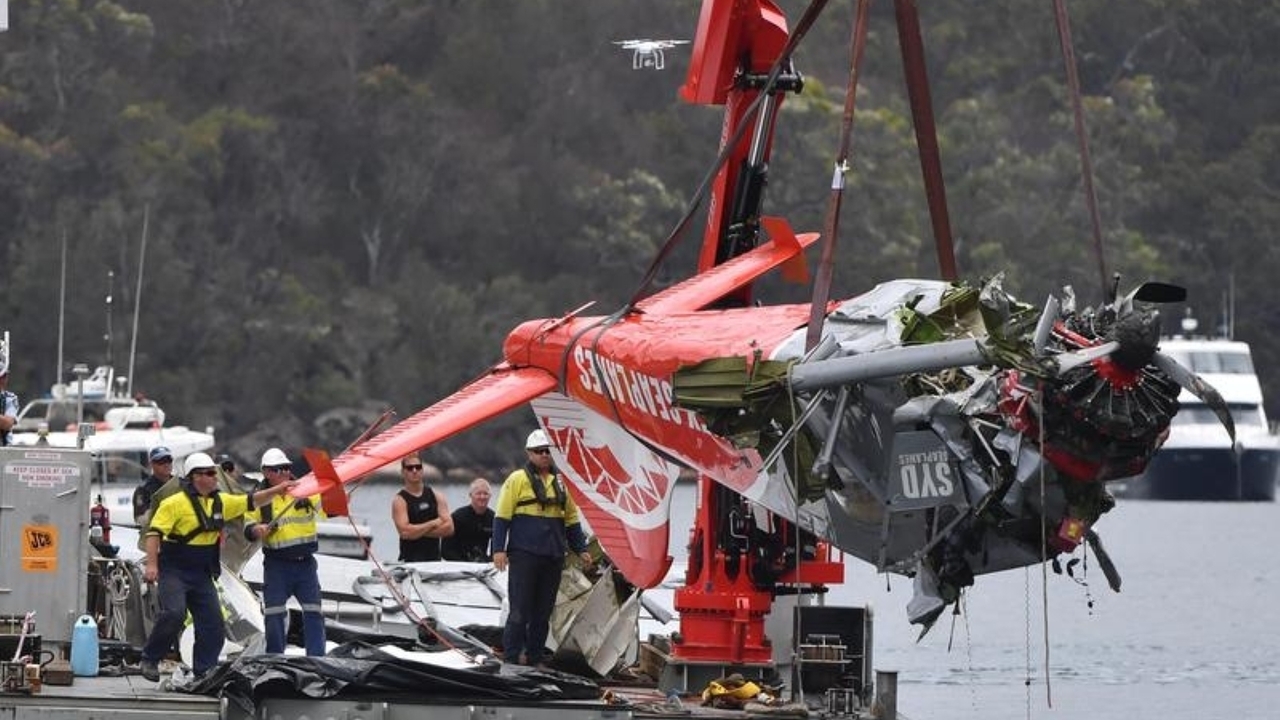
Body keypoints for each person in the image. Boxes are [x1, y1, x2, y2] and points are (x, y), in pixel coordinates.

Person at [139, 452, 296, 681]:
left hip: (202, 573)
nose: (215, 478)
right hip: (175, 570)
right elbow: (154, 534)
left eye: (215, 473)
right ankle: (150, 658)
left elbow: (253, 500)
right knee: (174, 613)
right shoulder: (172, 504)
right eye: (210, 474)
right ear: (195, 477)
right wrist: (152, 565)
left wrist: (278, 490)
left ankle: (204, 671)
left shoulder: (222, 502)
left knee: (213, 624)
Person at [492, 429, 592, 666]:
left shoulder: (561, 483)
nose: (544, 455)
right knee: (519, 611)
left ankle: (535, 657)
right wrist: (498, 549)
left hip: (552, 556)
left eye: (548, 451)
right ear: (529, 453)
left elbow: (571, 520)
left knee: (542, 613)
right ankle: (511, 658)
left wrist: (581, 548)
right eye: (539, 451)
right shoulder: (517, 480)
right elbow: (502, 517)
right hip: (524, 555)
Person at [243, 448, 326, 655]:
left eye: (287, 468)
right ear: (266, 472)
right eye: (278, 469)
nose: (284, 473)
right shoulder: (259, 498)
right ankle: (274, 657)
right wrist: (257, 530)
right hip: (277, 565)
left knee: (314, 612)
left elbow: (327, 508)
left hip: (305, 564)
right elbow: (248, 526)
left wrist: (338, 499)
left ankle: (317, 659)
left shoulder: (305, 490)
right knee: (273, 614)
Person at [391, 453, 453, 561]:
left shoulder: (436, 495)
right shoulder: (399, 501)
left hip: (434, 561)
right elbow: (405, 533)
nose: (414, 471)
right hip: (409, 561)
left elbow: (449, 528)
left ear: (422, 470)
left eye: (418, 467)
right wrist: (433, 523)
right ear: (403, 472)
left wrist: (417, 531)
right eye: (410, 468)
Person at [132, 447, 177, 549]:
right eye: (160, 461)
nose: (166, 464)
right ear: (152, 464)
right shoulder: (144, 490)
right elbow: (141, 519)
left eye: (168, 460)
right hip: (156, 540)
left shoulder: (181, 484)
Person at [443, 477, 495, 562]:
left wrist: (488, 561)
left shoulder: (493, 518)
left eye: (485, 494)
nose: (482, 497)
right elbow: (445, 550)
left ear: (490, 496)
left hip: (482, 565)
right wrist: (465, 564)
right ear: (470, 495)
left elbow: (496, 550)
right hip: (458, 563)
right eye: (478, 494)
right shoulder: (458, 516)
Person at [0, 357, 17, 446]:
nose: (3, 380)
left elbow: (7, 423)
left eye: (4, 376)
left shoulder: (9, 398)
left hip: (2, 450)